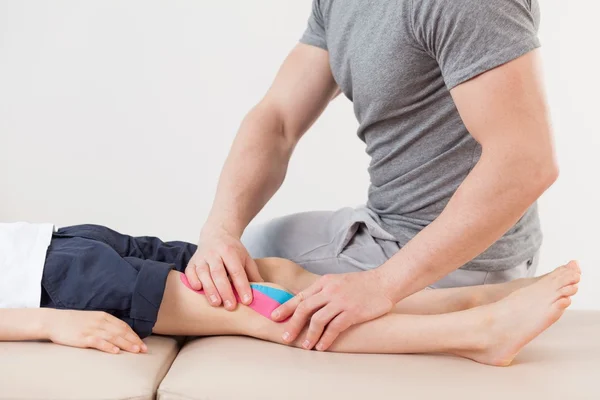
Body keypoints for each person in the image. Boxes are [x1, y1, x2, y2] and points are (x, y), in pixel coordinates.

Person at [184, 0, 557, 351]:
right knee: (253, 247)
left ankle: (483, 315)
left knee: (243, 283)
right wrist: (219, 229)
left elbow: (526, 162)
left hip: (465, 261)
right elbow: (279, 119)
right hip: (388, 224)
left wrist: (382, 286)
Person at [0, 222, 580, 367]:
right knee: (260, 308)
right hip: (55, 284)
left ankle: (476, 301)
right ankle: (479, 336)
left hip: (62, 242)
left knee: (272, 270)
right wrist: (50, 322)